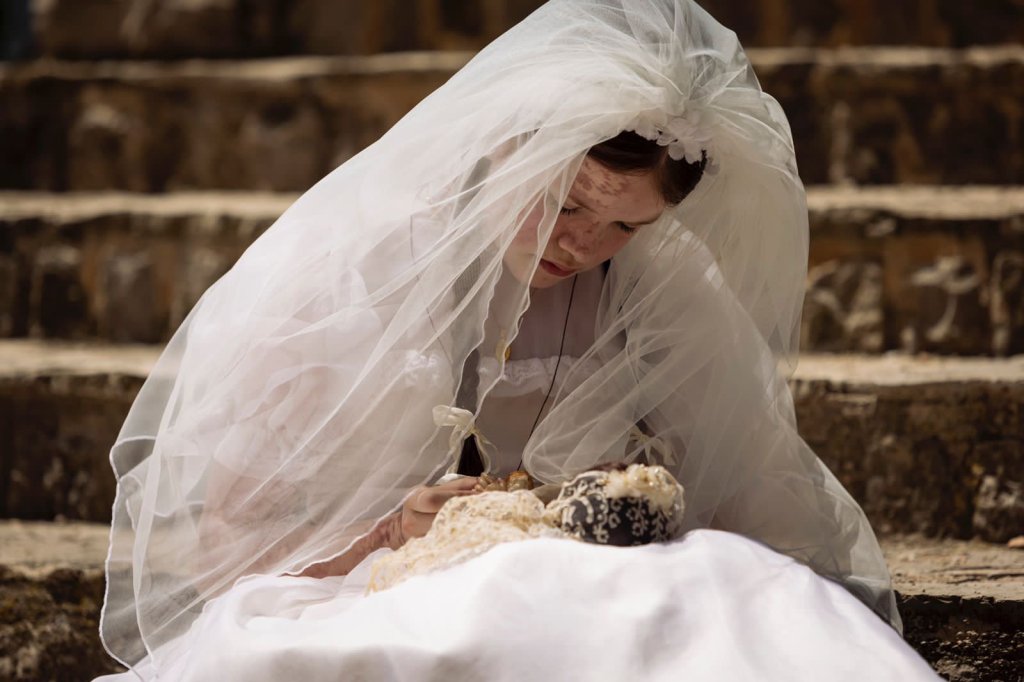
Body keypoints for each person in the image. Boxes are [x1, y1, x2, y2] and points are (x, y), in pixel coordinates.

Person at [96, 1, 940, 679]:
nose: (582, 244)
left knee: (742, 597)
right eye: (567, 204)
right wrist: (390, 534)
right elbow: (226, 548)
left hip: (583, 586)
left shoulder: (658, 285)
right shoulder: (356, 274)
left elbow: (753, 501)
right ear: (509, 151)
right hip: (380, 588)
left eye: (625, 226)